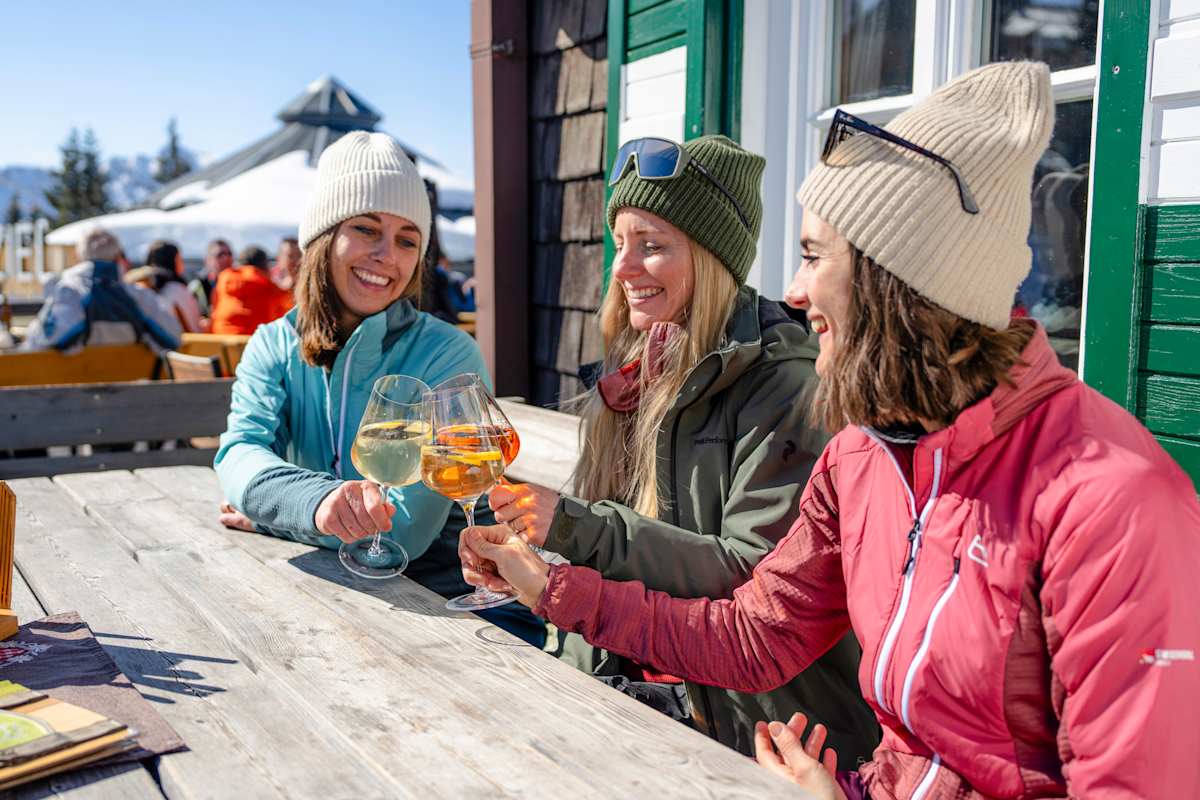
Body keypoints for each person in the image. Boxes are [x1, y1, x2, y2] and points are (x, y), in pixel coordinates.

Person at [461, 62, 1200, 797]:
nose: (791, 290)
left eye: (814, 257)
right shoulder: (863, 454)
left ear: (900, 282)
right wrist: (552, 587)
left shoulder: (1111, 501)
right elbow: (755, 636)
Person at [481, 135, 877, 761]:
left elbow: (751, 577)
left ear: (713, 256)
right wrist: (532, 574)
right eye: (620, 245)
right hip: (642, 696)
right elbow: (627, 558)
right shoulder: (646, 363)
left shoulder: (787, 383)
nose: (622, 268)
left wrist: (571, 528)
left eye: (652, 246)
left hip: (769, 739)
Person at [214, 131, 544, 646]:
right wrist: (318, 503)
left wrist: (274, 516)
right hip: (333, 602)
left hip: (445, 605)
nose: (387, 256)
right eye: (367, 229)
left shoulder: (447, 353)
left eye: (408, 240)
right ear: (323, 238)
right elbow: (238, 455)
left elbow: (405, 534)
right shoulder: (274, 345)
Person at [21, 226, 182, 352]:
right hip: (131, 390)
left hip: (70, 391)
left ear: (80, 257)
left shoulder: (70, 293)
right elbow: (173, 338)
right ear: (118, 257)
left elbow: (43, 340)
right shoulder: (138, 296)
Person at [208, 245, 293, 335]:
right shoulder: (267, 285)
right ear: (264, 266)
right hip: (253, 344)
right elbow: (287, 313)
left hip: (219, 342)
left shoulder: (223, 278)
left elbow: (214, 308)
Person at [124, 240, 204, 333]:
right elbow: (194, 328)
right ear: (173, 261)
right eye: (179, 259)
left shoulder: (136, 287)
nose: (182, 264)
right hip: (178, 345)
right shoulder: (177, 289)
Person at [189, 238, 233, 318]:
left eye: (229, 254)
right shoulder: (197, 287)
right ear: (208, 260)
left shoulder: (241, 285)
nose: (226, 258)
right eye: (220, 254)